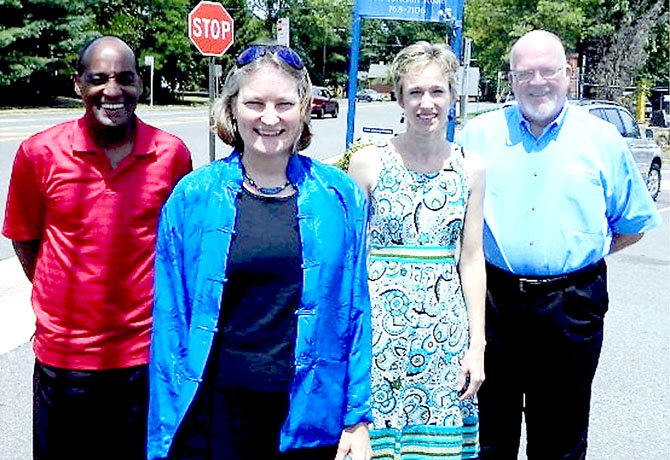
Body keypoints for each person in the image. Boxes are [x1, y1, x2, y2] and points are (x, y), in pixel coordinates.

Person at [147, 44, 372, 460]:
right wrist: (164, 434)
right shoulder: (193, 197)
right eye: (255, 103)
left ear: (303, 108)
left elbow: (355, 312)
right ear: (232, 108)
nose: (269, 118)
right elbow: (170, 323)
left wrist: (357, 417)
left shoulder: (340, 197)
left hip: (310, 416)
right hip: (218, 413)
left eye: (284, 103)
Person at [457, 30, 662, 459]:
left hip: (573, 303)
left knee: (562, 436)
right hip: (494, 301)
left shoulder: (602, 140)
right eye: (524, 73)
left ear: (568, 72)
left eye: (548, 71)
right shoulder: (476, 137)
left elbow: (633, 224)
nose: (537, 82)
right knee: (488, 434)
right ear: (511, 79)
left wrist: (575, 253)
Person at [1, 36, 192, 459]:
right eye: (99, 79)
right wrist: (62, 296)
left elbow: (178, 249)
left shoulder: (171, 155)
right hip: (64, 360)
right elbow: (25, 238)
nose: (112, 91)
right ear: (77, 85)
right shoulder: (38, 154)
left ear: (139, 84)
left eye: (125, 78)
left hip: (143, 357)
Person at [348, 41, 486, 459]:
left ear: (452, 95)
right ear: (399, 98)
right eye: (415, 92)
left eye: (437, 91)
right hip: (380, 334)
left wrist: (476, 345)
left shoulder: (471, 168)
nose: (427, 103)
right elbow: (350, 260)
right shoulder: (370, 163)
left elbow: (471, 258)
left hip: (444, 335)